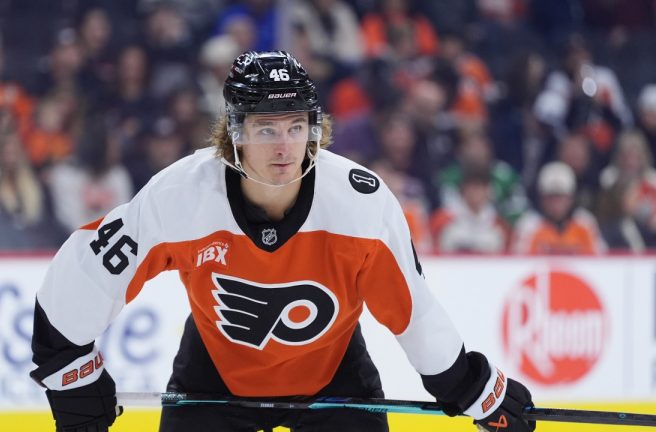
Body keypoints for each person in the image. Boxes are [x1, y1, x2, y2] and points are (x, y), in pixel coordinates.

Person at [29, 51, 535, 432]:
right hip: (214, 379)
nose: (286, 146)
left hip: (337, 380)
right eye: (267, 129)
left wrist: (468, 384)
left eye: (297, 126)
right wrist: (70, 369)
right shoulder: (180, 195)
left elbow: (413, 310)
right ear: (235, 132)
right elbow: (88, 275)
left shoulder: (361, 202)